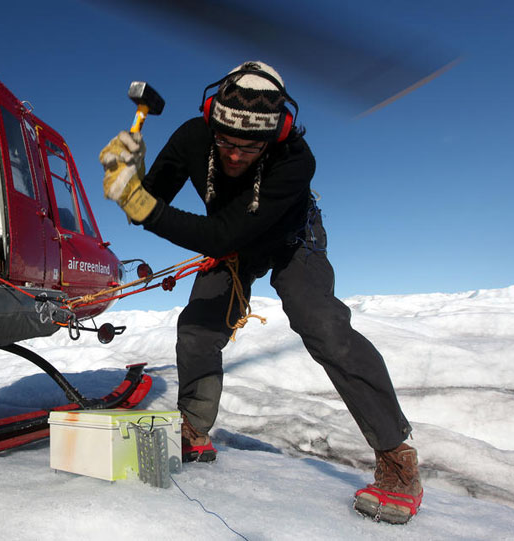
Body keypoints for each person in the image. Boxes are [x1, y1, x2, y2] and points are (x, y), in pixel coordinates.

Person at [100, 61, 423, 524]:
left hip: (292, 240)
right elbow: (149, 202)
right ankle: (193, 428)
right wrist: (128, 172)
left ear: (276, 135)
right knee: (196, 328)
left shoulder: (296, 159)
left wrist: (140, 205)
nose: (234, 156)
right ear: (212, 120)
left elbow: (213, 233)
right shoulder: (194, 137)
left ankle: (397, 459)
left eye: (249, 147)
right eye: (226, 143)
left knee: (322, 325)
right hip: (231, 241)